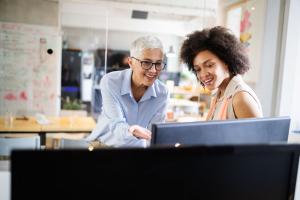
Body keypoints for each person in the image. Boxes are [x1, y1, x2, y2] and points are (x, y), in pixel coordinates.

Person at [86, 35, 170, 148]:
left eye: (158, 63)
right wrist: (131, 131)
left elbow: (155, 134)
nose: (153, 70)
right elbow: (117, 125)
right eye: (146, 62)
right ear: (131, 62)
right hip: (103, 147)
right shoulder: (111, 82)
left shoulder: (163, 93)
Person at [179, 26, 263, 120]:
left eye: (209, 65)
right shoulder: (220, 95)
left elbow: (259, 134)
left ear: (226, 62)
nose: (203, 74)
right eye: (198, 69)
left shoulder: (240, 98)